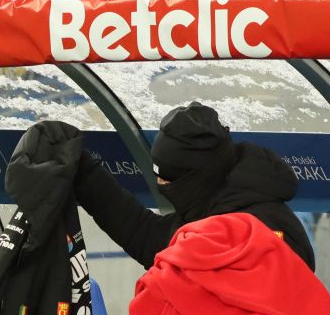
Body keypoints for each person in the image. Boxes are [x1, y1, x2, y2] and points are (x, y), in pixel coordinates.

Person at [73, 101, 315, 272]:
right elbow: (141, 232)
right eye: (157, 175)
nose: (160, 184)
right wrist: (82, 170)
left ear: (198, 177)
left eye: (169, 179)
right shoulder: (207, 205)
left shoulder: (266, 227)